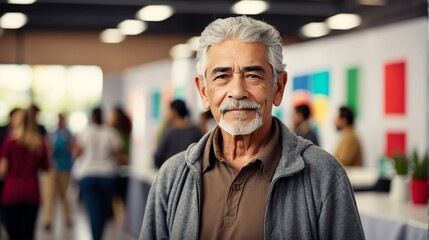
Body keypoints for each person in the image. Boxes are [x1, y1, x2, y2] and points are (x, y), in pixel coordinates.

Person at [139, 16, 364, 239]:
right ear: (204, 91)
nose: (237, 91)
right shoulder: (172, 176)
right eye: (222, 76)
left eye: (253, 75)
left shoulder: (323, 175)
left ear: (278, 87)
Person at [72, 107, 125, 240]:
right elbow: (118, 155)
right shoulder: (111, 132)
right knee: (103, 211)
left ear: (92, 117)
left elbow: (77, 154)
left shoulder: (85, 132)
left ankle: (96, 236)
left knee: (93, 210)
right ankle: (98, 236)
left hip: (88, 175)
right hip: (107, 175)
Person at [0, 108, 50, 240]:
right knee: (27, 234)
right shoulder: (40, 143)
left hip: (12, 191)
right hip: (32, 192)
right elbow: (46, 168)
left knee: (13, 234)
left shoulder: (9, 142)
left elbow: (2, 170)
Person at [42, 113, 74, 231]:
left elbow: (72, 148)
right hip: (51, 168)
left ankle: (67, 217)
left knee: (64, 194)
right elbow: (47, 148)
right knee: (49, 195)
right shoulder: (51, 133)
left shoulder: (68, 134)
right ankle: (48, 220)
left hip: (64, 167)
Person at [153, 99, 203, 169]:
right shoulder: (196, 131)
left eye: (169, 111)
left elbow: (158, 156)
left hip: (171, 171)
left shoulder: (169, 132)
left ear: (174, 112)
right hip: (190, 173)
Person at [109, 106, 132, 220]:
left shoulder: (117, 135)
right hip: (123, 169)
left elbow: (122, 156)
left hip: (120, 169)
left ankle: (121, 218)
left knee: (119, 197)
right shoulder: (124, 134)